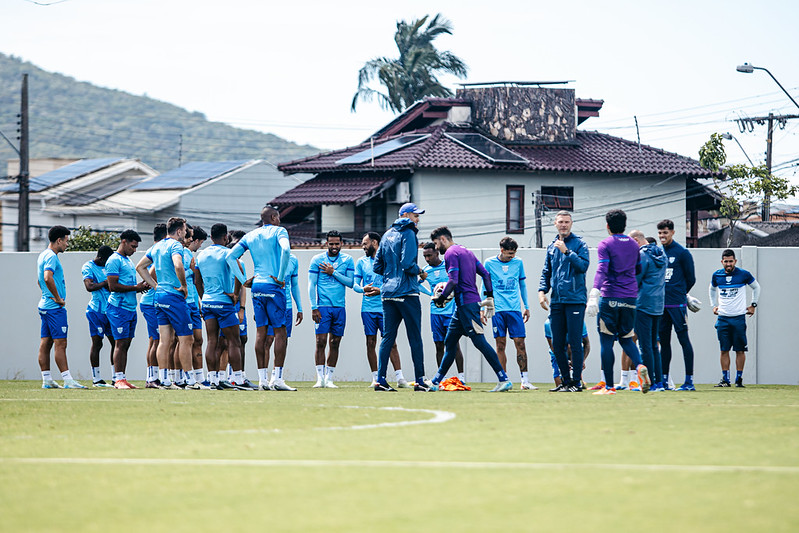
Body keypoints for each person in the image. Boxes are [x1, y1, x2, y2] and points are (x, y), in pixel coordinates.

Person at [428, 226, 512, 392]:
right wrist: (489, 297)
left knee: (479, 341)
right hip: (463, 306)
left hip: (467, 304)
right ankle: (436, 381)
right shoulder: (467, 252)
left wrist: (441, 298)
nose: (437, 248)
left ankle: (504, 379)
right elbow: (486, 275)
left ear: (443, 239)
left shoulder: (451, 253)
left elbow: (453, 281)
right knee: (450, 342)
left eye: (437, 244)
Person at [227, 206, 291, 389]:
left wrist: (243, 281)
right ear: (273, 217)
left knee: (260, 332)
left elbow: (231, 257)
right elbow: (286, 251)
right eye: (278, 217)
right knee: (280, 332)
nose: (279, 221)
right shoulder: (280, 231)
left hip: (257, 286)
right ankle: (277, 379)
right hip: (273, 285)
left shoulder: (250, 235)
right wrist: (280, 277)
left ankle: (263, 380)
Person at [587, 209, 651, 395]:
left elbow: (602, 270)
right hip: (631, 297)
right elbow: (638, 269)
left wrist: (594, 294)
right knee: (627, 339)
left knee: (607, 342)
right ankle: (639, 367)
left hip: (610, 297)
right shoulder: (633, 244)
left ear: (607, 226)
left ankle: (608, 387)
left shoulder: (605, 244)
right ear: (624, 225)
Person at [372, 203, 428, 392]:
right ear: (405, 215)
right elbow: (407, 264)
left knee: (387, 337)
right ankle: (420, 380)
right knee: (415, 337)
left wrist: (389, 275)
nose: (418, 219)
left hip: (388, 293)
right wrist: (420, 271)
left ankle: (380, 379)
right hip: (407, 293)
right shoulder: (409, 233)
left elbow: (376, 266)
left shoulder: (387, 235)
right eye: (415, 215)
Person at [135, 217, 194, 389]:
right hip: (173, 296)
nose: (185, 233)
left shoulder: (157, 246)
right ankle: (189, 379)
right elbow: (178, 264)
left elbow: (140, 267)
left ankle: (164, 379)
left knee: (164, 340)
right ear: (178, 231)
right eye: (184, 230)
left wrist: (155, 286)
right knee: (186, 339)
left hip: (159, 296)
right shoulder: (176, 245)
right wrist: (183, 285)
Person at [538, 210, 590, 392]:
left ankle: (577, 382)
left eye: (567, 222)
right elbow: (547, 271)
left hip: (575, 299)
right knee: (557, 343)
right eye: (560, 222)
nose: (563, 225)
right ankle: (565, 382)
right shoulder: (552, 246)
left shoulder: (580, 244)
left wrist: (567, 252)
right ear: (555, 224)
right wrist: (542, 291)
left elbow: (583, 266)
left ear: (571, 224)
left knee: (575, 342)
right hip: (557, 301)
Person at [196, 223, 248, 390]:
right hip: (224, 303)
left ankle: (213, 380)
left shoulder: (201, 255)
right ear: (226, 237)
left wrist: (203, 297)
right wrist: (234, 294)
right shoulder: (228, 253)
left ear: (211, 237)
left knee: (211, 341)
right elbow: (240, 275)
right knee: (234, 341)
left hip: (208, 302)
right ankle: (238, 379)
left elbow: (197, 281)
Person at [353, 232, 408, 388]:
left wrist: (381, 290)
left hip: (385, 307)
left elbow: (395, 282)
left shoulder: (388, 260)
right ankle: (375, 377)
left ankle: (400, 377)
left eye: (365, 244)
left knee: (391, 342)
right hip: (367, 309)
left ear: (375, 243)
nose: (363, 247)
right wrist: (363, 288)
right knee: (370, 342)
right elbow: (355, 285)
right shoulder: (361, 262)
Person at [483, 237, 536, 390]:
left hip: (514, 309)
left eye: (514, 253)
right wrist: (482, 306)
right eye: (509, 253)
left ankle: (525, 381)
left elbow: (522, 285)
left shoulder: (518, 263)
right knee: (500, 345)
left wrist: (526, 306)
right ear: (502, 250)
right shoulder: (489, 263)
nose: (512, 256)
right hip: (497, 309)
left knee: (520, 343)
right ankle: (503, 379)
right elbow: (484, 286)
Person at [37, 225, 86, 389]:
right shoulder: (51, 257)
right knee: (61, 343)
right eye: (66, 241)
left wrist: (46, 294)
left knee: (46, 342)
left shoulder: (43, 255)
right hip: (54, 308)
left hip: (44, 306)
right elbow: (47, 277)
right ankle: (68, 380)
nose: (67, 244)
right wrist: (58, 298)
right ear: (59, 240)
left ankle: (47, 380)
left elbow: (39, 281)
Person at [308, 230, 354, 388]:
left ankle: (329, 378)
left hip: (339, 307)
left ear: (341, 243)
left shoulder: (348, 260)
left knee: (335, 342)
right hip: (322, 307)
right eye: (331, 243)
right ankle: (320, 378)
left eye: (337, 243)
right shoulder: (317, 259)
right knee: (320, 341)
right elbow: (311, 285)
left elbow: (350, 283)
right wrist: (314, 307)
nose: (334, 246)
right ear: (326, 243)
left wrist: (333, 272)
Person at [105, 230, 150, 389]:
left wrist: (140, 287)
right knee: (119, 343)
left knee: (126, 344)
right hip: (118, 309)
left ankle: (122, 379)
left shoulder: (128, 261)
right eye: (133, 246)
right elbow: (112, 286)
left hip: (130, 308)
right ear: (124, 241)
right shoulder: (114, 260)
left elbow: (129, 286)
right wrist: (135, 288)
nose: (135, 250)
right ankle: (117, 380)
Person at [709, 249, 760, 388]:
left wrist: (753, 304)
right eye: (726, 261)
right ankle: (725, 380)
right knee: (724, 350)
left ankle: (739, 379)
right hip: (723, 318)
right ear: (722, 262)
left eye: (731, 261)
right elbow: (712, 289)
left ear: (735, 261)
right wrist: (713, 305)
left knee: (740, 350)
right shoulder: (717, 275)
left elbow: (756, 287)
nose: (728, 264)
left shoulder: (743, 274)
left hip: (738, 318)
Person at [657, 219, 697, 391]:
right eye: (659, 233)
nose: (662, 236)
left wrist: (681, 294)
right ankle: (664, 380)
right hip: (661, 306)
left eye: (665, 233)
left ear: (672, 232)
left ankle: (689, 381)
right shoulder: (658, 253)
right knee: (664, 343)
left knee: (683, 340)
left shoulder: (682, 253)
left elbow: (691, 278)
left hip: (677, 305)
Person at [420, 242, 464, 382]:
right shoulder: (426, 270)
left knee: (454, 344)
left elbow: (457, 281)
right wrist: (431, 294)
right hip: (435, 313)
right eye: (425, 256)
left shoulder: (448, 266)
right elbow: (416, 285)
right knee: (439, 345)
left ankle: (461, 377)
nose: (427, 259)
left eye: (429, 255)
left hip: (451, 312)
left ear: (437, 253)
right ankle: (441, 379)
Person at [631, 231, 667, 392]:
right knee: (653, 346)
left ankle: (650, 383)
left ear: (636, 241)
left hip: (643, 304)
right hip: (658, 305)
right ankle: (659, 383)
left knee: (645, 346)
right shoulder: (662, 254)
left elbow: (635, 280)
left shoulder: (642, 256)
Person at [263, 251, 302, 390]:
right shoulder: (268, 256)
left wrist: (300, 307)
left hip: (287, 306)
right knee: (267, 341)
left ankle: (276, 377)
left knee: (283, 341)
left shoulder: (293, 259)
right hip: (270, 304)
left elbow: (294, 285)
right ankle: (264, 379)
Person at [81, 245, 115, 387]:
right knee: (98, 343)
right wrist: (104, 283)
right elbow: (89, 287)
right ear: (100, 258)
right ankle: (97, 379)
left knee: (116, 343)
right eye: (106, 261)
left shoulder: (109, 266)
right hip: (96, 311)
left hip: (111, 310)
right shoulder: (88, 266)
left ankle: (116, 377)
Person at [180, 225, 208, 388]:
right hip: (181, 302)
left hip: (193, 303)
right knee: (181, 341)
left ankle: (199, 377)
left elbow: (194, 283)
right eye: (200, 242)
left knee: (198, 339)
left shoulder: (190, 256)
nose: (199, 246)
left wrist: (199, 302)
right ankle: (179, 377)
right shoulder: (180, 254)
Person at [140, 223, 166, 388]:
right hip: (151, 302)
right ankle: (152, 378)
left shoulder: (154, 250)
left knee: (154, 340)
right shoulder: (159, 251)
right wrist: (155, 286)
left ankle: (152, 376)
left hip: (151, 302)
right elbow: (149, 274)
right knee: (156, 340)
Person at [543, 318, 590, 388]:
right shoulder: (548, 323)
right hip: (558, 353)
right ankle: (566, 378)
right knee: (560, 386)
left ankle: (577, 378)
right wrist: (563, 362)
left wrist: (582, 361)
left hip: (574, 352)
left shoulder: (579, 322)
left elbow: (587, 344)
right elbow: (553, 347)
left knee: (572, 346)